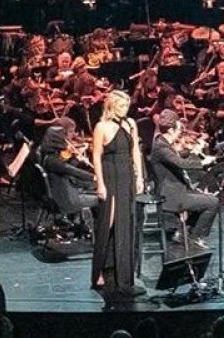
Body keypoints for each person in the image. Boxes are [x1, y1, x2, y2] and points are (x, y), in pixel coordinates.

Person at [90, 90, 144, 296]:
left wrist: (139, 177)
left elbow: (135, 152)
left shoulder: (131, 124)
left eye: (127, 106)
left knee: (126, 223)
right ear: (112, 106)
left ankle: (124, 277)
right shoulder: (101, 127)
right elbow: (96, 156)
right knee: (108, 223)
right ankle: (98, 272)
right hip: (110, 175)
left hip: (127, 175)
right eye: (121, 106)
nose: (125, 110)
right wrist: (101, 184)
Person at [148, 112, 220, 249]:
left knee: (205, 196)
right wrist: (203, 162)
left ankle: (183, 232)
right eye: (178, 130)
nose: (180, 134)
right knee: (213, 202)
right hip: (170, 195)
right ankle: (195, 237)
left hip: (175, 190)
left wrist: (191, 151)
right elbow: (179, 163)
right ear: (170, 130)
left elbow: (175, 156)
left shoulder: (162, 141)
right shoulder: (161, 146)